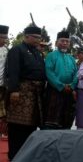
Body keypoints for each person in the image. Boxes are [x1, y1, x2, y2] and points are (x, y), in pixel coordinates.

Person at [6, 26, 46, 160]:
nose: (37, 40)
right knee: (18, 127)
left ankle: (28, 156)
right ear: (26, 36)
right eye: (35, 37)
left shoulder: (38, 53)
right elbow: (12, 71)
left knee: (32, 127)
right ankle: (14, 157)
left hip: (36, 95)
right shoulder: (17, 50)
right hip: (21, 92)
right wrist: (14, 90)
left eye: (39, 38)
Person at [44, 30, 77, 129]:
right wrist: (61, 86)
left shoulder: (71, 58)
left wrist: (72, 86)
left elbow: (77, 73)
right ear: (56, 42)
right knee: (52, 122)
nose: (65, 43)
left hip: (69, 92)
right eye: (62, 41)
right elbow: (49, 73)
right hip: (54, 91)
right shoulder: (50, 56)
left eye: (67, 41)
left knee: (66, 120)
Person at [0, 25, 9, 138]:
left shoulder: (7, 51)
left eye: (6, 37)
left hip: (2, 87)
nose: (4, 40)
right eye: (2, 37)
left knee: (2, 115)